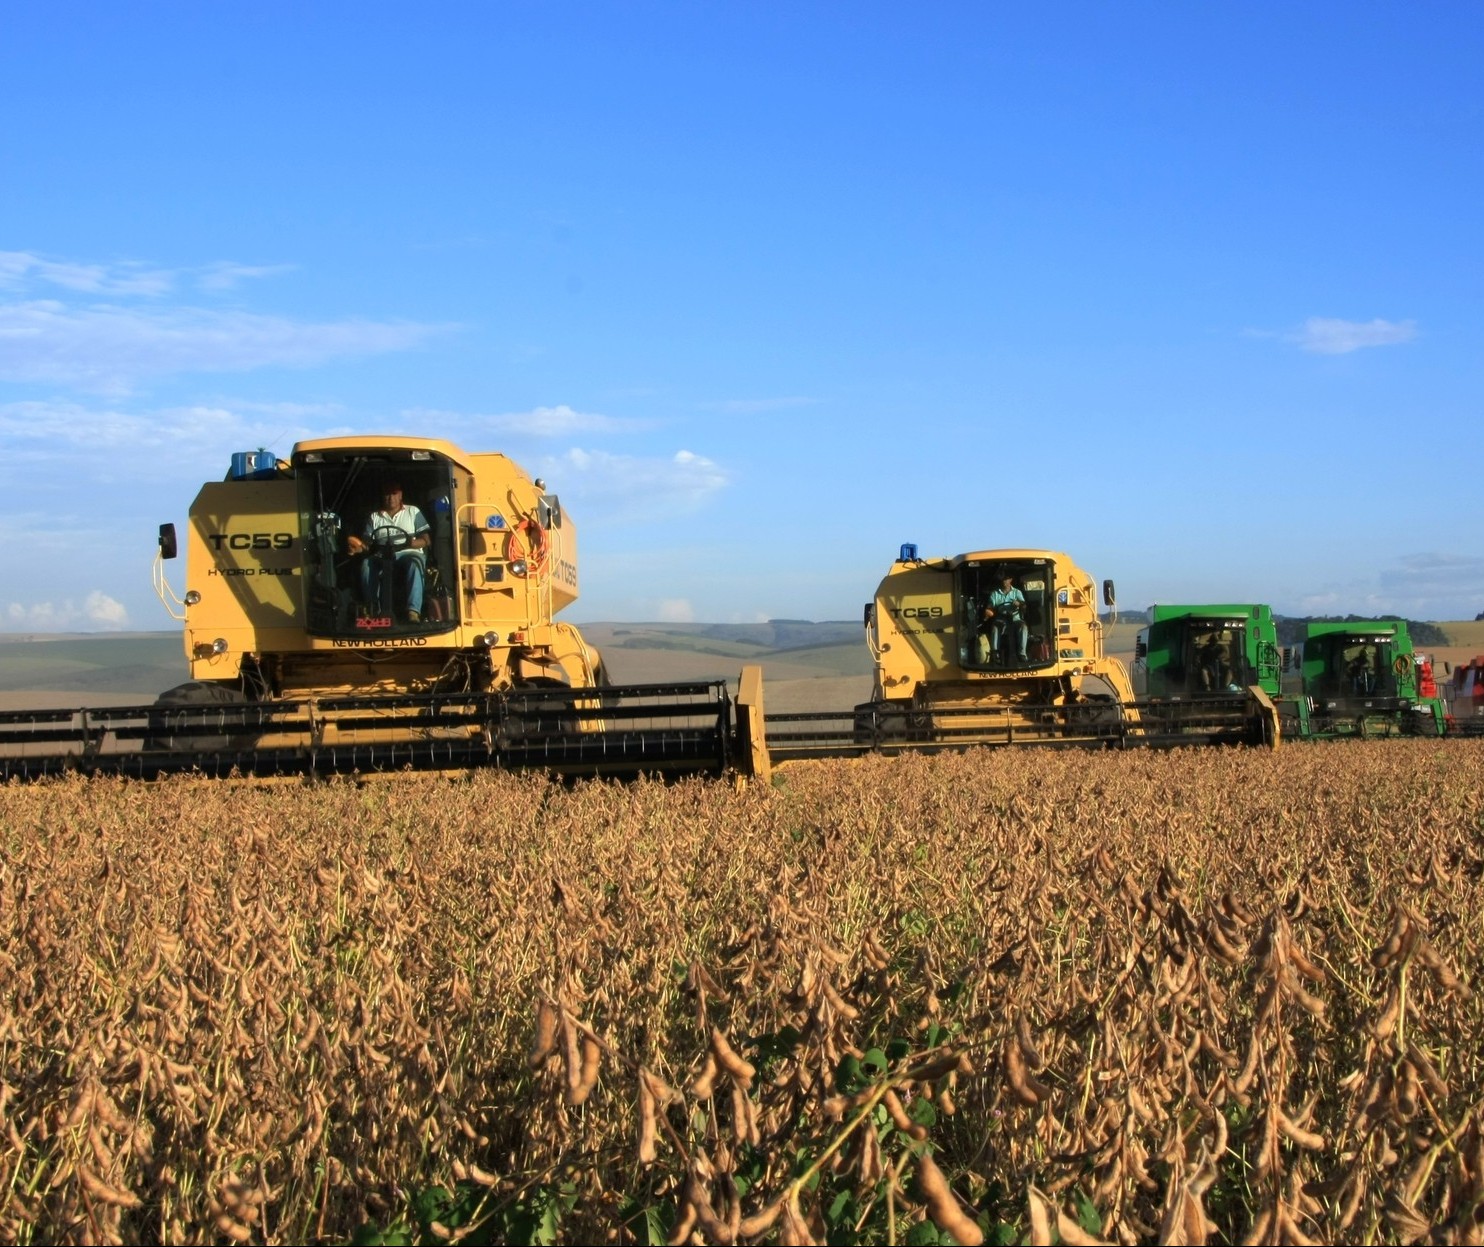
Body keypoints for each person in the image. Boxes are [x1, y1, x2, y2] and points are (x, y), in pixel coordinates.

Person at [347, 482, 431, 622]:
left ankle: (413, 612)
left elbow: (426, 540)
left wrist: (410, 543)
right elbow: (367, 544)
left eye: (394, 494)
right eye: (387, 494)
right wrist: (358, 548)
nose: (390, 498)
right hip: (381, 554)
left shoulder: (413, 511)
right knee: (366, 564)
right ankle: (373, 609)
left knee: (415, 563)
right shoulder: (374, 517)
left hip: (408, 552)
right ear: (382, 496)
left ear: (400, 495)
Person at [982, 574, 1028, 665]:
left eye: (1006, 579)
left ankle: (1022, 654)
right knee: (995, 628)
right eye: (1002, 580)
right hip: (1001, 619)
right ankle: (995, 654)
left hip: (1015, 619)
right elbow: (990, 606)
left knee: (1023, 627)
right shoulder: (994, 593)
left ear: (1010, 580)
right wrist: (988, 610)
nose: (1004, 581)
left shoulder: (1017, 592)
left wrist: (1019, 604)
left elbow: (1024, 605)